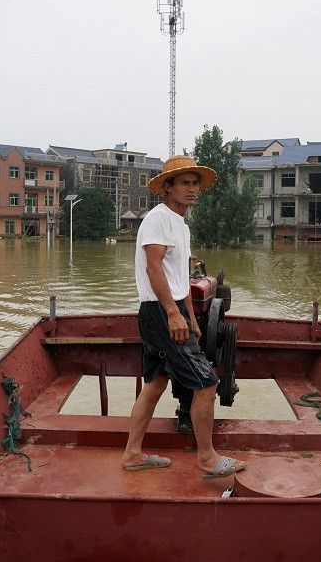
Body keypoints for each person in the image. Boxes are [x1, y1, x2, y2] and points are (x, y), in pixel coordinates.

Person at [120, 155, 245, 479]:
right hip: (160, 312)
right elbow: (153, 268)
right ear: (167, 187)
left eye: (195, 184)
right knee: (206, 383)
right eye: (184, 183)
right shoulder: (158, 219)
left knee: (155, 384)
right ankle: (206, 458)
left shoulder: (181, 224)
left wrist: (190, 317)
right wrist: (174, 315)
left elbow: (181, 278)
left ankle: (133, 454)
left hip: (169, 311)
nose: (192, 189)